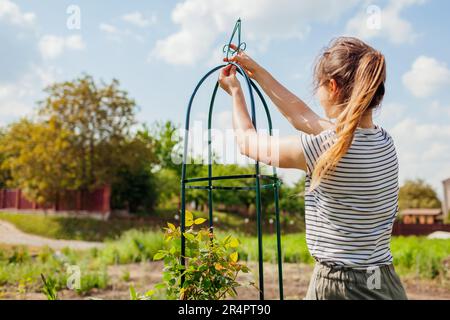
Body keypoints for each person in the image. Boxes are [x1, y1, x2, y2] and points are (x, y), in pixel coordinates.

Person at [218, 37, 408, 300]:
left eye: (318, 85)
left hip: (339, 287)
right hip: (385, 281)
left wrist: (236, 93)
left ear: (332, 86)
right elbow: (301, 117)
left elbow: (248, 143)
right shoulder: (384, 142)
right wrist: (257, 71)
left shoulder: (326, 148)